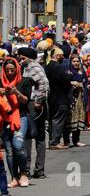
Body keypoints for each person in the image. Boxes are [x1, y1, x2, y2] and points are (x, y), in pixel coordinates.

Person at [0, 58, 32, 187]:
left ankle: (23, 173)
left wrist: (16, 92)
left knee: (18, 145)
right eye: (7, 70)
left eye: (12, 70)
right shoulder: (1, 82)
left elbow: (26, 101)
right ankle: (14, 177)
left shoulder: (24, 81)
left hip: (21, 116)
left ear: (17, 69)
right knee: (9, 150)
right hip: (4, 118)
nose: (9, 72)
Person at [18, 47, 49, 179]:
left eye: (22, 57)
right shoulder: (26, 67)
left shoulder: (33, 67)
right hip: (31, 104)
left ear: (28, 57)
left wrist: (38, 101)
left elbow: (43, 84)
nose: (20, 59)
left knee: (31, 137)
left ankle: (30, 169)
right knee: (36, 137)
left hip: (34, 105)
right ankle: (36, 170)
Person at [45, 48, 73, 150]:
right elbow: (65, 79)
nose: (63, 58)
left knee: (53, 120)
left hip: (51, 98)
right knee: (58, 120)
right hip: (60, 98)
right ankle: (54, 142)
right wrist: (70, 75)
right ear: (57, 56)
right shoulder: (58, 67)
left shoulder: (47, 67)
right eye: (61, 56)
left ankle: (52, 140)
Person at [63, 55, 88, 147]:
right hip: (71, 98)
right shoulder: (68, 72)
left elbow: (86, 82)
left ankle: (76, 140)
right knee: (69, 120)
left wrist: (86, 86)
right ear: (70, 62)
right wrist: (72, 83)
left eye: (77, 61)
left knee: (79, 119)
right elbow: (64, 82)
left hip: (80, 98)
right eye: (74, 61)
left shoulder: (82, 71)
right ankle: (66, 141)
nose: (76, 63)